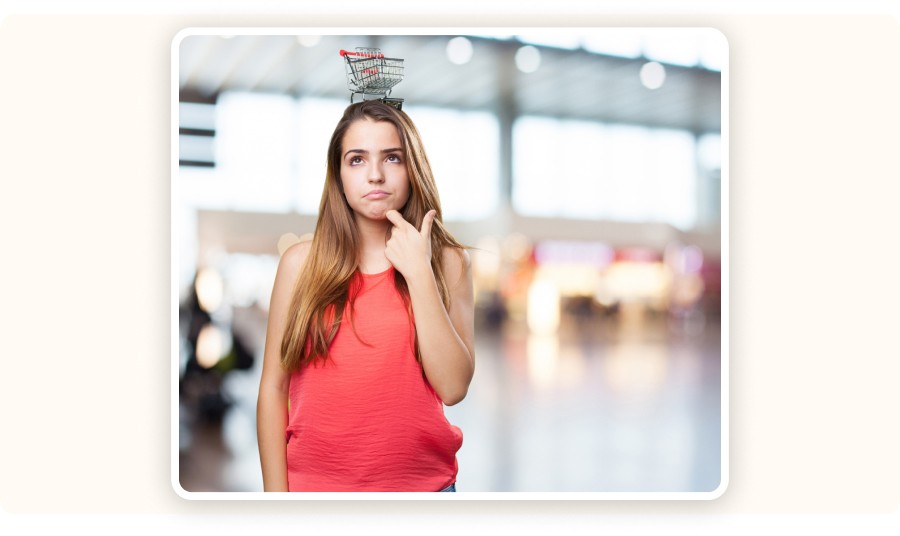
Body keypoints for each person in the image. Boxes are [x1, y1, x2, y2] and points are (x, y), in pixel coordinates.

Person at [256, 100, 475, 492]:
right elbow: (273, 389)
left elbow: (454, 387)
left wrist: (419, 273)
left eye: (392, 158)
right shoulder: (300, 265)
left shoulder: (447, 262)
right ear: (337, 174)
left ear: (413, 169)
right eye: (357, 160)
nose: (375, 175)